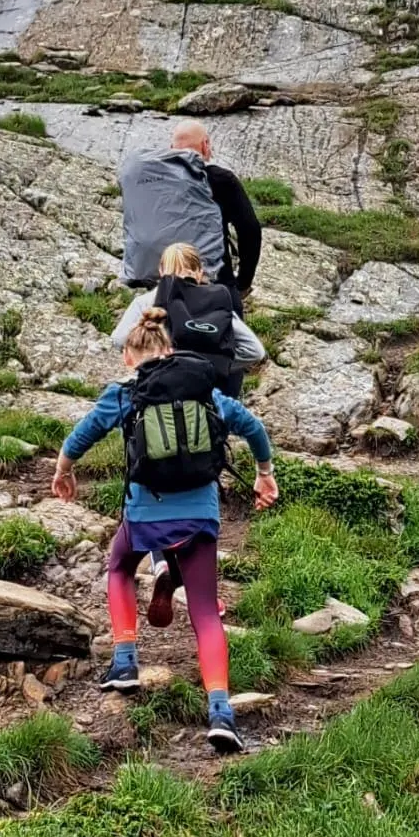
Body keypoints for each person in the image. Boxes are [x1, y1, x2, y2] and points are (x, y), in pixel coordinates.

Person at [52, 295, 279, 751]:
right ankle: (221, 712)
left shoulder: (124, 393)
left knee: (119, 565)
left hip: (145, 514)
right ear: (171, 350)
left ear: (128, 357)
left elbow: (80, 436)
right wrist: (264, 474)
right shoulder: (206, 392)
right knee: (205, 612)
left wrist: (64, 471)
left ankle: (124, 661)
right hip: (199, 515)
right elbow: (253, 427)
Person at [119, 119, 262, 303]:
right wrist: (242, 283)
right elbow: (250, 230)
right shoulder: (219, 179)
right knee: (230, 315)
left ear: (172, 149)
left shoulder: (145, 180)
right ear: (205, 145)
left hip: (154, 283)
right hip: (212, 283)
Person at [110, 240, 269, 398]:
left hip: (154, 388)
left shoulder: (144, 303)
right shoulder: (216, 303)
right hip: (203, 390)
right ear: (200, 272)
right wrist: (217, 364)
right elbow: (255, 351)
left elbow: (118, 340)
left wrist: (149, 360)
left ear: (161, 271)